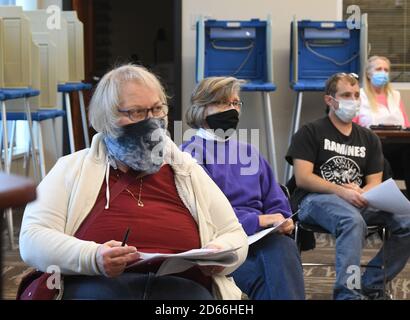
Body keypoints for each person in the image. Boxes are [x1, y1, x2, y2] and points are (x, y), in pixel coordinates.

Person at [19, 65, 248, 300]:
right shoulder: (71, 169)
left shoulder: (186, 171)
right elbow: (32, 238)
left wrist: (220, 255)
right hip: (98, 287)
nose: (152, 121)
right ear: (106, 119)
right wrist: (93, 257)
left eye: (157, 109)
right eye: (137, 113)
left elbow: (233, 233)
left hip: (181, 290)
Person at [286, 72, 410, 300]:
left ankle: (372, 283)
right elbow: (303, 178)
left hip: (357, 199)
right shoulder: (310, 132)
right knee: (351, 220)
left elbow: (374, 181)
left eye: (355, 95)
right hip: (314, 201)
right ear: (329, 100)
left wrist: (363, 193)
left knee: (407, 220)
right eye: (345, 95)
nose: (352, 100)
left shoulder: (369, 138)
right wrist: (341, 191)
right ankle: (347, 294)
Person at [181, 76, 305, 300]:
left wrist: (283, 219)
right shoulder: (189, 154)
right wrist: (257, 221)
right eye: (223, 103)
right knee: (268, 277)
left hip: (264, 238)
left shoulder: (249, 152)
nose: (232, 109)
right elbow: (205, 212)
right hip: (222, 245)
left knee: (282, 249)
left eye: (235, 103)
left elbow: (276, 199)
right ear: (201, 108)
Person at [354, 55, 410, 197]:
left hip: (398, 145)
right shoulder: (359, 95)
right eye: (379, 69)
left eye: (386, 70)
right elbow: (353, 125)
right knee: (382, 160)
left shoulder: (395, 95)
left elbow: (406, 124)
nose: (383, 73)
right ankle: (386, 200)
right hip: (370, 146)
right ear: (368, 73)